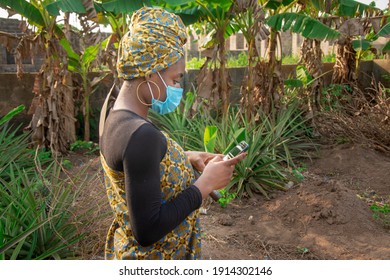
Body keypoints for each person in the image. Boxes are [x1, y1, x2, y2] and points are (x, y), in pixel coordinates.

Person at [99, 6, 246, 260]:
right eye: (175, 79)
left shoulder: (116, 117)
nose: (177, 88)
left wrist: (184, 158)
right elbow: (148, 229)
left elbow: (134, 169)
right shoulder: (140, 135)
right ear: (150, 71)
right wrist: (205, 185)